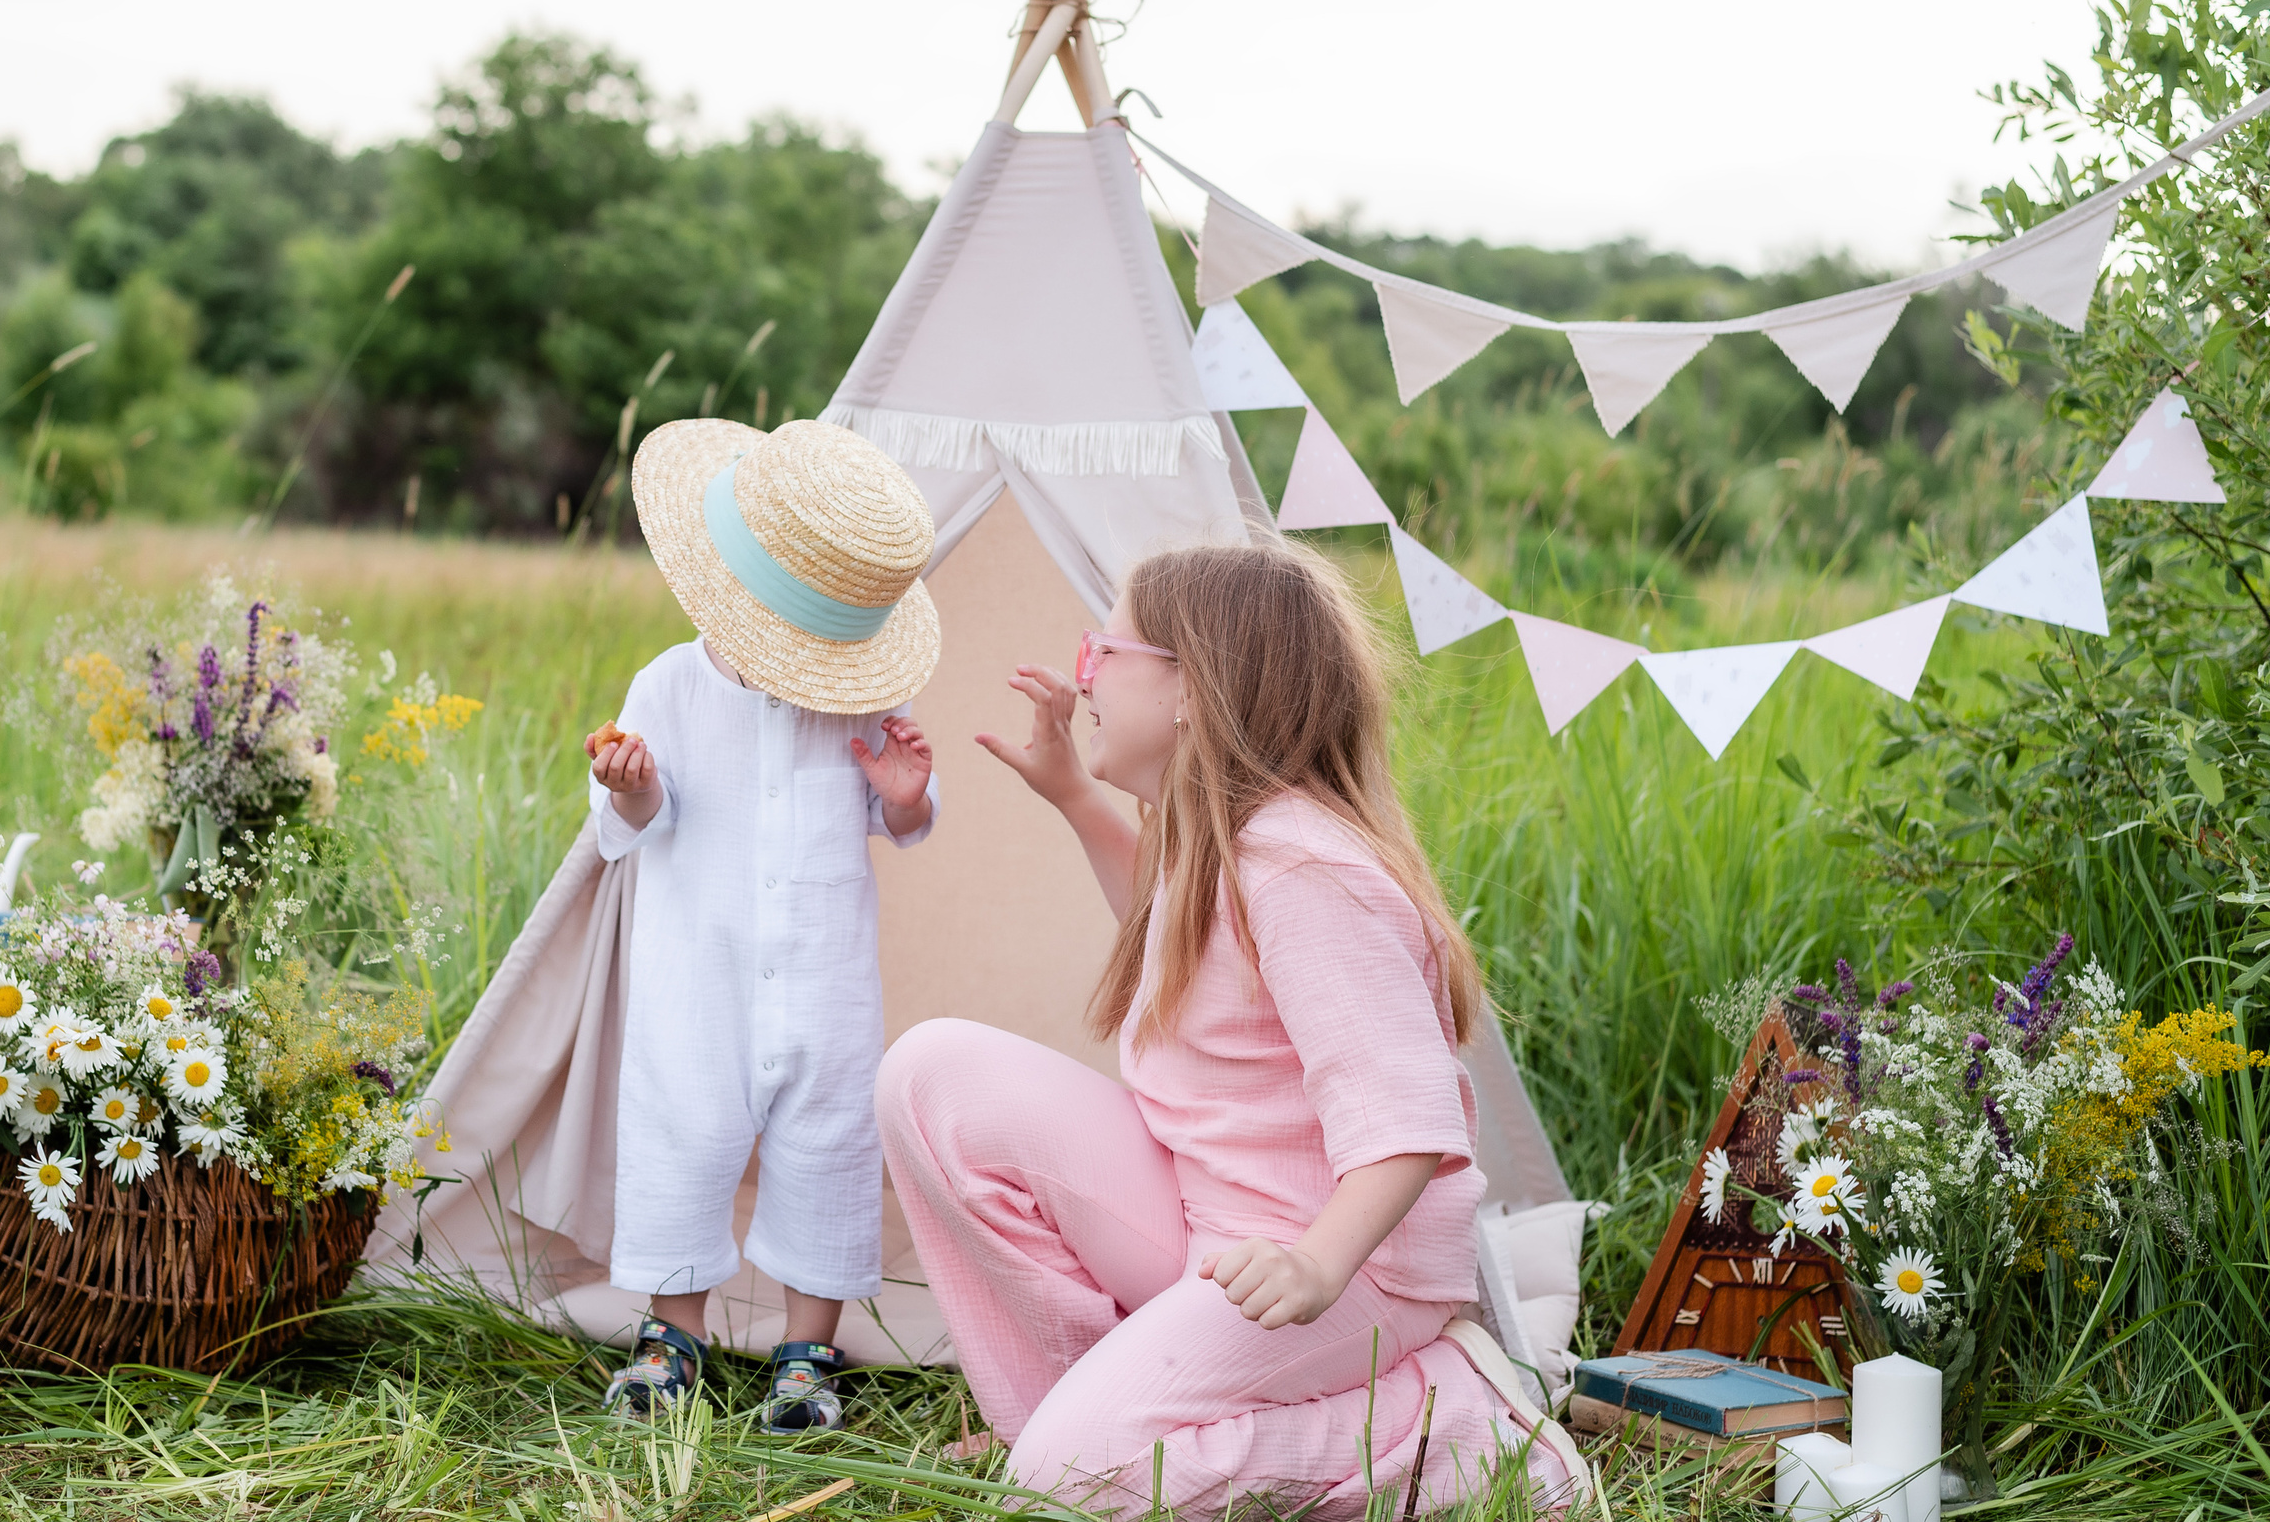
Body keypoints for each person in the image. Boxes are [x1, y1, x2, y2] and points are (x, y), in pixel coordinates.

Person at [876, 539, 1581, 1516]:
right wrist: (1076, 795)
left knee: (1067, 1485)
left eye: (1104, 650)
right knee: (930, 1073)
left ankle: (1447, 1429)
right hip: (1214, 1213)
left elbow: (1407, 1114)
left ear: (1188, 690)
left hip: (1338, 1264)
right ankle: (1067, 1412)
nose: (1082, 671)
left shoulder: (1301, 866)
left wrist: (1316, 1261)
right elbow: (1180, 944)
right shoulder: (1222, 837)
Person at [590, 417, 942, 1433]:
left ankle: (806, 1349)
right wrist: (635, 786)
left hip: (825, 975)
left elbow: (907, 821)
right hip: (695, 974)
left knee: (826, 1143)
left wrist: (905, 793)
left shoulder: (868, 696)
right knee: (681, 1134)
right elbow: (631, 827)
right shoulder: (668, 684)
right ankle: (672, 1336)